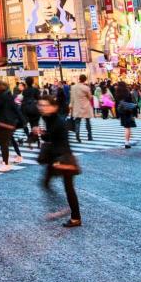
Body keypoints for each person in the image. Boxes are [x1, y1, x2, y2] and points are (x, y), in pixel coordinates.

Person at [37, 95, 81, 228]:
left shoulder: (57, 121)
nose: (42, 108)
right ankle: (74, 217)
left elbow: (57, 140)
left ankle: (67, 211)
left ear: (54, 107)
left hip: (62, 159)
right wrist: (42, 133)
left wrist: (55, 161)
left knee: (57, 186)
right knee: (63, 187)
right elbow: (50, 137)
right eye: (41, 105)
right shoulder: (50, 119)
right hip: (60, 158)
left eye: (45, 105)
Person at [0, 79, 22, 172]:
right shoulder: (6, 95)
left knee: (4, 143)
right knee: (4, 143)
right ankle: (6, 160)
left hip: (5, 123)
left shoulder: (2, 96)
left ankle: (6, 163)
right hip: (5, 123)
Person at [69, 75, 94, 142]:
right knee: (87, 121)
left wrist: (71, 105)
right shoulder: (86, 88)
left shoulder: (73, 87)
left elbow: (72, 97)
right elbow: (90, 97)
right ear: (85, 80)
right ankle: (89, 135)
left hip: (77, 106)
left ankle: (77, 135)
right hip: (85, 106)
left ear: (79, 79)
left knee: (77, 121)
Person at [114, 81, 137, 148]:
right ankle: (127, 143)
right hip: (128, 111)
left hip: (121, 111)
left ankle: (128, 138)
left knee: (126, 127)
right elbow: (131, 102)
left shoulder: (117, 93)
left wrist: (117, 114)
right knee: (127, 127)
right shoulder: (127, 92)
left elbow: (116, 104)